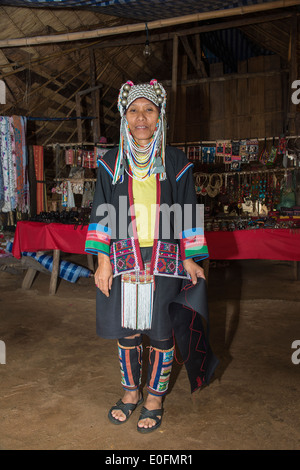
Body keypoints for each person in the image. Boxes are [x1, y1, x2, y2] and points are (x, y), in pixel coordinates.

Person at [85, 79, 216, 433]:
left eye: (149, 110)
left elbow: (188, 209)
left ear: (160, 117)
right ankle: (130, 393)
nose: (141, 117)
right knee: (126, 330)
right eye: (133, 110)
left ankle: (155, 398)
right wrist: (103, 260)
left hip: (166, 258)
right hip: (124, 255)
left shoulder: (175, 161)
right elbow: (102, 209)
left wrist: (191, 258)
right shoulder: (111, 162)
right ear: (124, 117)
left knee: (161, 331)